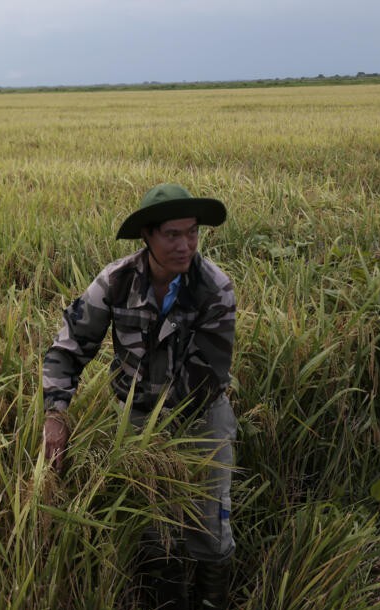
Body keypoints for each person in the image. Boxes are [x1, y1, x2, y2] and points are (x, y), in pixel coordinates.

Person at [41, 183, 237, 609]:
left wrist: (159, 446)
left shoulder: (214, 289)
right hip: (137, 416)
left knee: (208, 523)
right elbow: (68, 346)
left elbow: (205, 378)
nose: (185, 245)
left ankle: (211, 601)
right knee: (152, 525)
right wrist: (56, 413)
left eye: (192, 233)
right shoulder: (115, 282)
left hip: (201, 416)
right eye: (172, 234)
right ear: (147, 236)